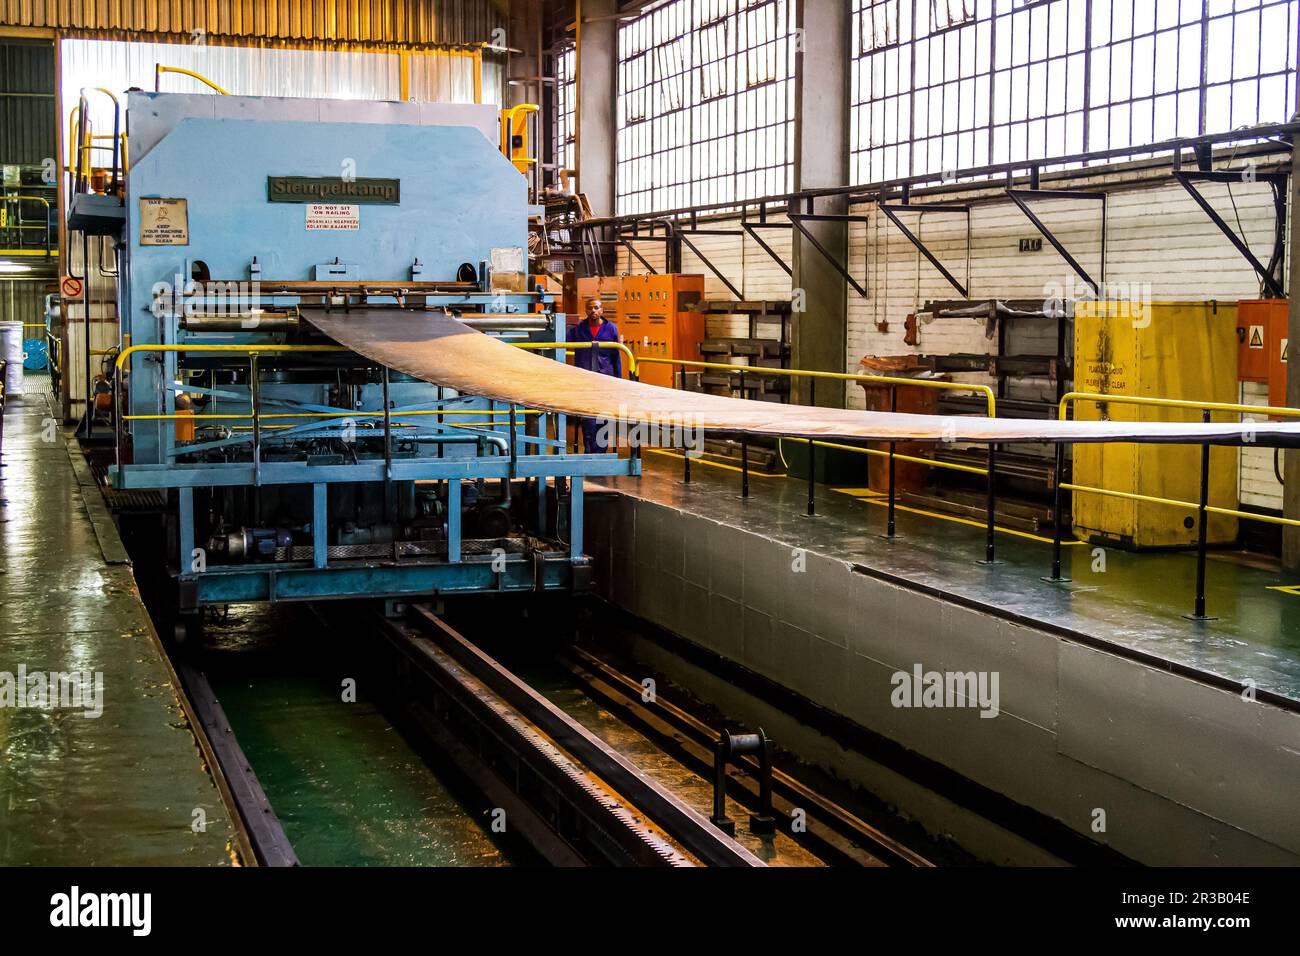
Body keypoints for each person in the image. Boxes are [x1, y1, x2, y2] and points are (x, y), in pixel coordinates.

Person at [568, 297, 621, 453]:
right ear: (586, 310)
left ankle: (601, 451)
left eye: (597, 308)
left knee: (604, 417)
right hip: (585, 380)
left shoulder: (611, 329)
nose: (593, 311)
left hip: (605, 380)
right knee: (588, 417)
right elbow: (560, 340)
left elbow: (616, 356)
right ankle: (590, 449)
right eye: (590, 308)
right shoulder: (579, 329)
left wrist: (618, 381)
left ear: (602, 310)